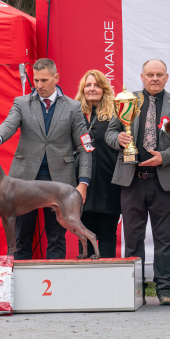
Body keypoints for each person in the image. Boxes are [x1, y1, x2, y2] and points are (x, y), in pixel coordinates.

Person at [105, 59, 170, 306]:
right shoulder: (126, 100)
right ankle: (135, 289)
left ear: (167, 79)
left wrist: (165, 157)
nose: (154, 78)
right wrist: (119, 138)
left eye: (159, 75)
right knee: (133, 237)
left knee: (166, 237)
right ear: (142, 77)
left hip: (164, 179)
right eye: (150, 74)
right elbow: (110, 132)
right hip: (131, 179)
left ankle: (165, 288)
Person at [0, 58, 91, 260]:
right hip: (24, 181)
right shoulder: (21, 103)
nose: (39, 85)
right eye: (36, 80)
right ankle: (21, 287)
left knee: (57, 238)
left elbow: (85, 147)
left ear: (56, 78)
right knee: (21, 238)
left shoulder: (73, 107)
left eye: (44, 80)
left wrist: (83, 182)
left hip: (59, 182)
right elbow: (9, 124)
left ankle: (56, 285)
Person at [74, 70, 121, 259]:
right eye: (88, 85)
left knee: (108, 235)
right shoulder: (74, 113)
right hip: (81, 185)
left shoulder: (115, 113)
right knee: (84, 236)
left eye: (97, 85)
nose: (92, 89)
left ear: (104, 89)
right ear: (82, 89)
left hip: (108, 183)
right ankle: (86, 282)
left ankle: (108, 282)